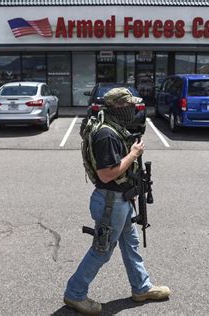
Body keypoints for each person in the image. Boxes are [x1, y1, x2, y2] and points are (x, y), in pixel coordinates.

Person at [64, 88, 171, 315]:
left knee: (130, 245)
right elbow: (106, 174)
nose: (133, 109)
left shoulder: (113, 127)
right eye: (129, 105)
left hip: (119, 201)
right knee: (101, 250)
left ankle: (142, 288)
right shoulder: (106, 134)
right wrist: (133, 154)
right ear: (118, 107)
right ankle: (75, 294)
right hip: (110, 202)